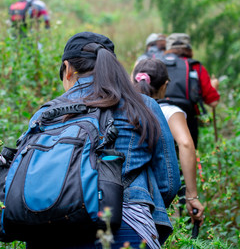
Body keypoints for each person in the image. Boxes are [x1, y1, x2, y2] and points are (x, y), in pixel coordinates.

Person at [26, 31, 181, 249]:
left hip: (50, 230)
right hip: (127, 226)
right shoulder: (144, 105)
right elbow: (169, 182)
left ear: (68, 68)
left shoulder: (46, 113)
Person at [132, 58, 204, 224]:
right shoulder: (169, 111)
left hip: (123, 191)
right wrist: (191, 195)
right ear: (164, 85)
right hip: (159, 192)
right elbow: (185, 144)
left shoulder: (123, 107)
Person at [162, 33, 220, 148]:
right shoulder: (195, 67)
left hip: (157, 117)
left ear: (168, 48)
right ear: (188, 48)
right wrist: (214, 87)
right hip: (188, 120)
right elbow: (213, 102)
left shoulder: (156, 64)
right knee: (187, 151)